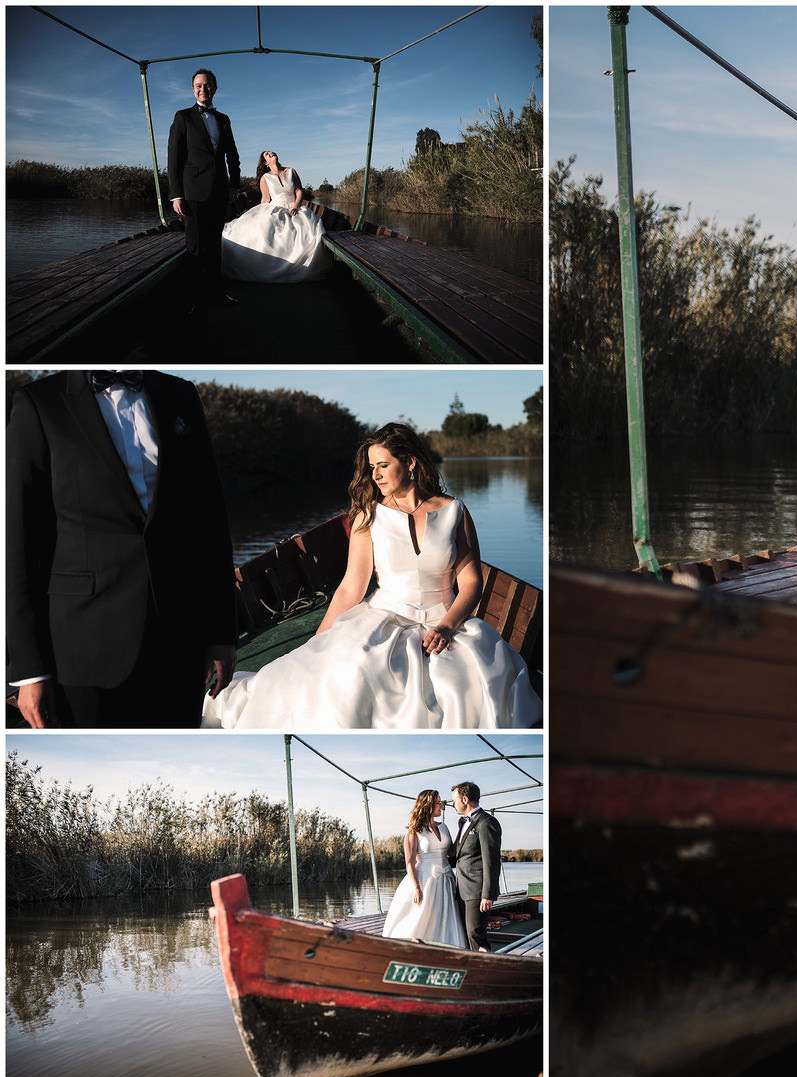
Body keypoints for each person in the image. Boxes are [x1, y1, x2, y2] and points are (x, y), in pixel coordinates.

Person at [201, 422, 541, 728]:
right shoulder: (368, 514)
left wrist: (447, 626)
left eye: (383, 465)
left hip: (446, 620)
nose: (375, 475)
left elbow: (470, 582)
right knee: (356, 670)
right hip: (385, 617)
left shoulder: (454, 511)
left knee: (472, 681)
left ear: (409, 462)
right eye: (371, 467)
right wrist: (318, 640)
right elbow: (352, 586)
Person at [7, 371, 237, 728]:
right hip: (83, 648)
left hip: (180, 639)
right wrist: (29, 671)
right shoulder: (38, 403)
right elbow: (18, 542)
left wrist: (221, 631)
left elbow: (209, 519)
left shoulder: (180, 394)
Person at [168, 69, 241, 306]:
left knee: (214, 245)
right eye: (198, 86)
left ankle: (217, 294)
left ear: (215, 88)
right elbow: (174, 159)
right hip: (193, 194)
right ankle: (193, 298)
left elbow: (232, 156)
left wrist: (234, 185)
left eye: (207, 85)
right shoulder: (183, 117)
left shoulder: (224, 120)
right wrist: (176, 194)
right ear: (192, 89)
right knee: (195, 247)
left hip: (219, 192)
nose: (203, 89)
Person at [221, 150, 333, 283]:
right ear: (265, 163)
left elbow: (299, 191)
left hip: (294, 207)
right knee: (264, 228)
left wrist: (296, 206)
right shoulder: (265, 178)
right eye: (267, 154)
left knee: (306, 226)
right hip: (275, 207)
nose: (270, 153)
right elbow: (265, 198)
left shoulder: (291, 171)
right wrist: (256, 215)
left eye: (271, 152)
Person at [381, 790, 469, 948]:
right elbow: (409, 862)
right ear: (427, 805)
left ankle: (447, 948)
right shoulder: (414, 831)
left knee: (446, 918)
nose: (441, 806)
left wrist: (462, 830)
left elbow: (451, 852)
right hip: (424, 879)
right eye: (438, 803)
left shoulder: (444, 827)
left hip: (446, 878)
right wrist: (416, 887)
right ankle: (414, 947)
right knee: (422, 917)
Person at [449, 782, 502, 952]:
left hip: (477, 891)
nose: (453, 804)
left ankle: (487, 971)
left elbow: (491, 862)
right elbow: (457, 858)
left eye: (454, 800)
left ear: (464, 799)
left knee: (475, 933)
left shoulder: (487, 822)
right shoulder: (462, 823)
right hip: (461, 888)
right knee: (465, 933)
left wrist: (487, 895)